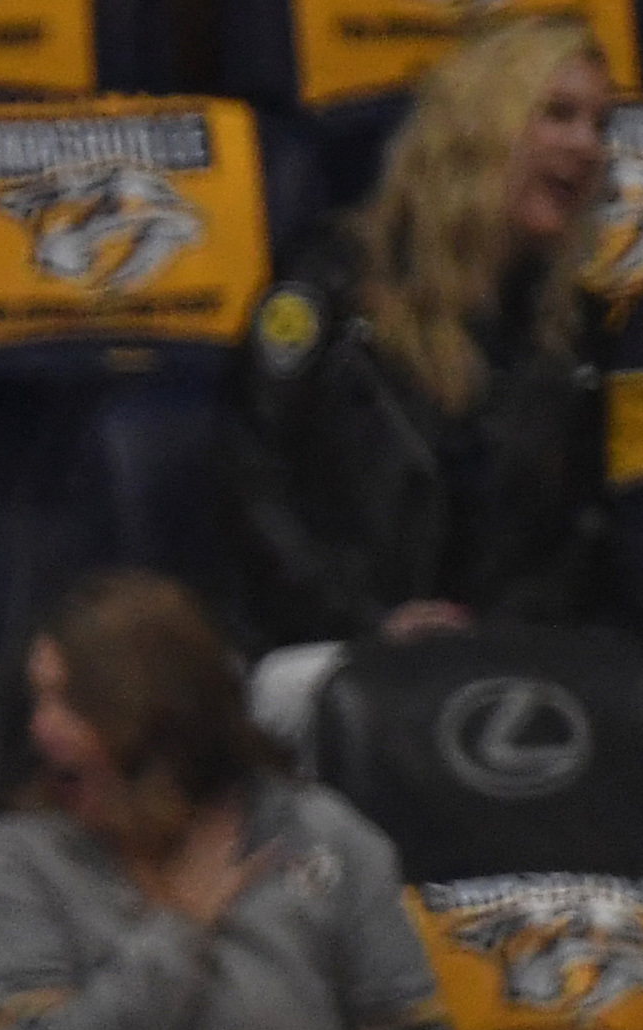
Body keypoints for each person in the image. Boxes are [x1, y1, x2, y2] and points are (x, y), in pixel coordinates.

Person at [0, 572, 465, 1030]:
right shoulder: (19, 861)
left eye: (66, 704)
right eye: (37, 700)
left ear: (153, 724)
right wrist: (176, 933)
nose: (39, 729)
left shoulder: (322, 837)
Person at [220, 16, 619, 723]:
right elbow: (252, 493)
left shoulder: (575, 333)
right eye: (557, 115)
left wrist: (487, 635)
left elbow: (574, 540)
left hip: (503, 662)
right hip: (329, 649)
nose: (587, 146)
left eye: (598, 123)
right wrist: (373, 622)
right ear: (477, 127)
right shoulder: (331, 288)